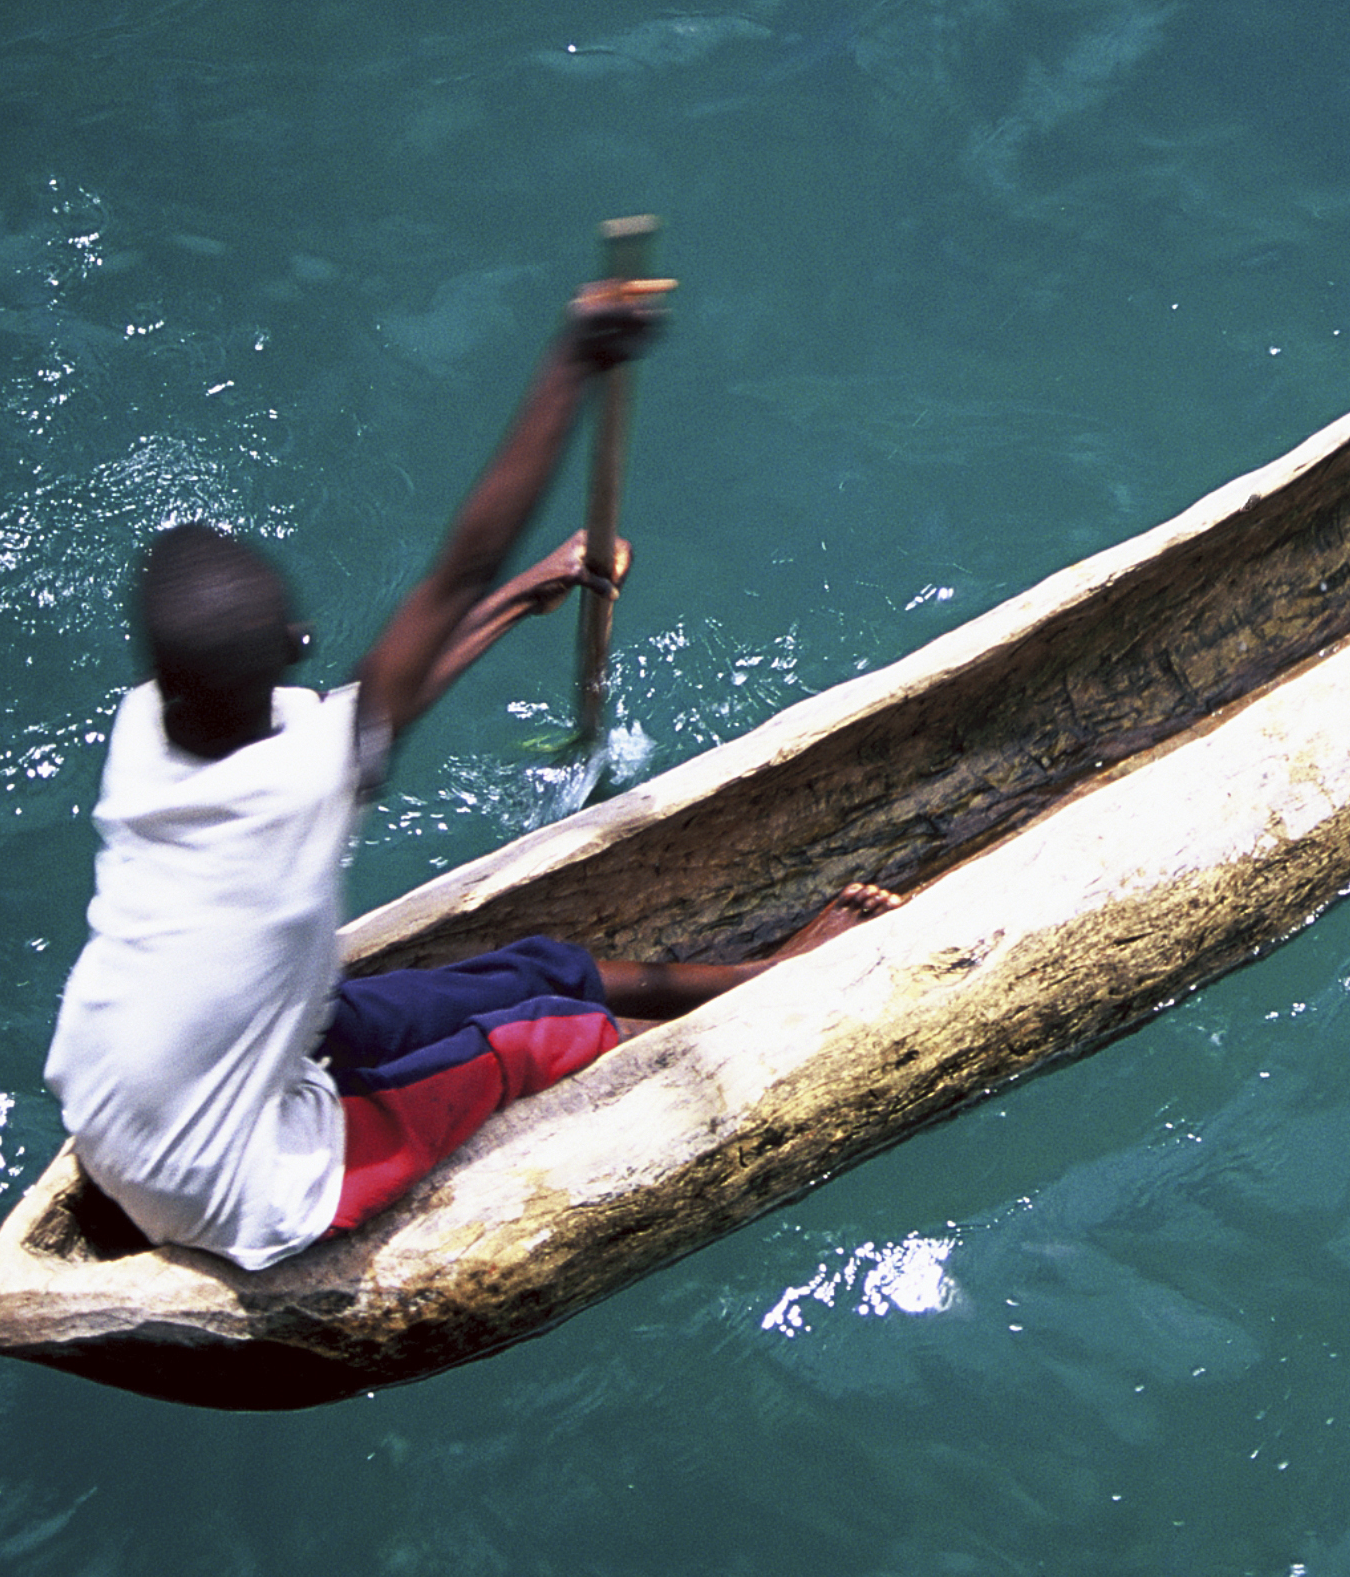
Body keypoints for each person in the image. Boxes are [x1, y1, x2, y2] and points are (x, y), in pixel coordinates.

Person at [44, 278, 897, 1269]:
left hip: (127, 1093)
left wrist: (524, 594)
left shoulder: (150, 732)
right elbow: (454, 567)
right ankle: (769, 993)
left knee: (532, 965)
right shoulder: (291, 790)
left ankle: (744, 971)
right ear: (293, 644)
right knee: (533, 1037)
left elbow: (378, 702)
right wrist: (574, 358)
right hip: (240, 1181)